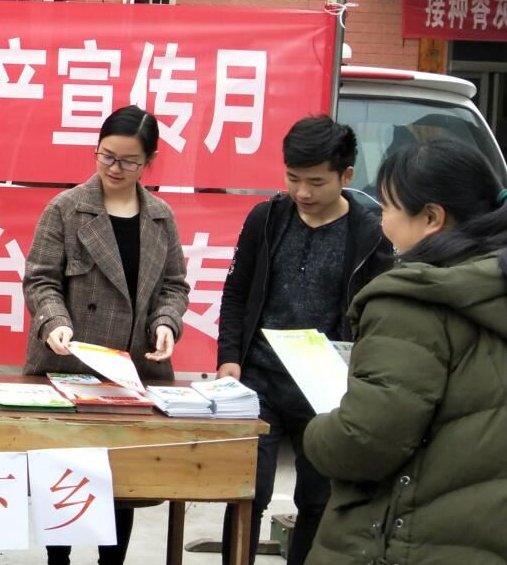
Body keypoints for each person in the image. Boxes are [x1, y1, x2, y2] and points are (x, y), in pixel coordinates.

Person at [302, 140, 507, 564]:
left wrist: (317, 432)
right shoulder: (492, 281)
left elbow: (365, 440)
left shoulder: (411, 301)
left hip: (411, 540)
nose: (382, 222)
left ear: (431, 217)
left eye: (388, 207)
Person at [216, 115, 393, 565]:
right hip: (259, 377)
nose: (302, 192)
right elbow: (237, 292)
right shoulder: (267, 218)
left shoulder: (370, 233)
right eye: (293, 178)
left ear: (345, 175)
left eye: (316, 182)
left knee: (318, 499)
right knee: (246, 491)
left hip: (326, 386)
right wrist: (229, 358)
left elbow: (377, 314)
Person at [22, 105, 191, 565]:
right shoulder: (66, 208)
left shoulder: (160, 217)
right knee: (66, 475)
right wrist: (54, 321)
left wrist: (166, 323)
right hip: (68, 365)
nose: (115, 168)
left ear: (149, 161)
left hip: (130, 373)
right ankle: (58, 561)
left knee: (122, 481)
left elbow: (174, 286)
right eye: (106, 156)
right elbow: (40, 279)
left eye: (128, 161)